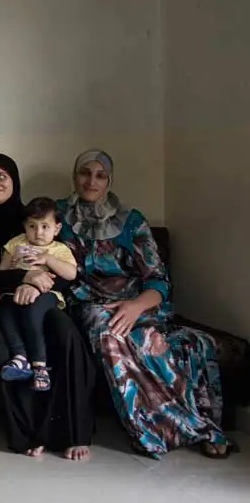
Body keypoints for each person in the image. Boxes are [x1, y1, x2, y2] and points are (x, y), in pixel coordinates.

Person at [58, 149, 235, 459]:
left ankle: (197, 425)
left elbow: (157, 280)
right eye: (85, 173)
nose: (91, 181)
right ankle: (161, 430)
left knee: (178, 342)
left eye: (100, 175)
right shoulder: (58, 216)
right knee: (109, 333)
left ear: (110, 180)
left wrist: (135, 306)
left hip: (139, 304)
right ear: (75, 176)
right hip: (88, 303)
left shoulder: (132, 221)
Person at [0, 153, 94, 460]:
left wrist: (33, 285)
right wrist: (20, 278)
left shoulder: (37, 216)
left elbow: (67, 274)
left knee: (66, 334)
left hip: (39, 297)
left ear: (14, 180)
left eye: (1, 176)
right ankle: (28, 433)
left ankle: (73, 432)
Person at [0, 197, 77, 391]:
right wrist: (1, 287)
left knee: (31, 313)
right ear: (25, 226)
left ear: (56, 228)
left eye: (45, 226)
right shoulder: (15, 243)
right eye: (32, 226)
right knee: (4, 312)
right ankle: (20, 357)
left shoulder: (58, 249)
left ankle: (40, 365)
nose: (38, 232)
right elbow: (1, 273)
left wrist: (48, 259)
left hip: (47, 294)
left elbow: (71, 273)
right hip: (14, 291)